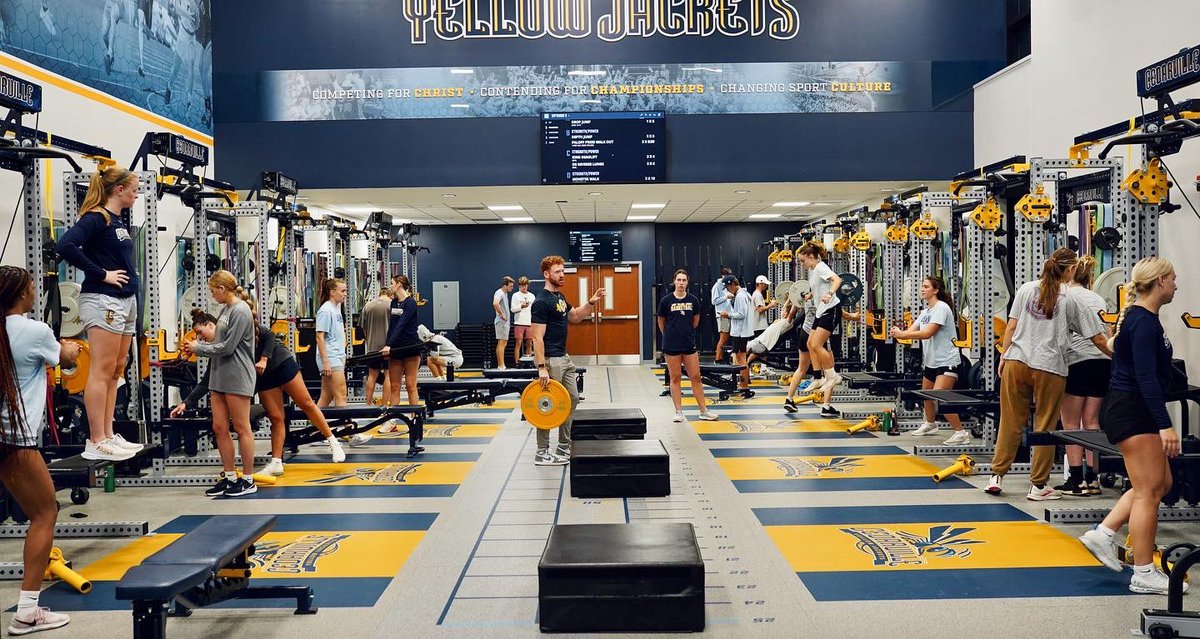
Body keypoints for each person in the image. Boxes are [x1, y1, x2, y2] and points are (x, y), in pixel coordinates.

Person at [1078, 257, 1185, 595]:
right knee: (1149, 491)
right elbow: (1145, 377)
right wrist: (1165, 424)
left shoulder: (1140, 318)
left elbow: (1120, 354)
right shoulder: (1142, 322)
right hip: (1132, 411)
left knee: (1159, 483)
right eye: (1174, 279)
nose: (1177, 285)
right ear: (1162, 282)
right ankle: (1143, 571)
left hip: (1132, 409)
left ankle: (1104, 533)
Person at [985, 248, 1111, 500]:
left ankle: (996, 476)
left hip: (1017, 361)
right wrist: (1121, 359)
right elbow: (1098, 338)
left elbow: (1011, 325)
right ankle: (1038, 486)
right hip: (1049, 367)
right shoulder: (1072, 299)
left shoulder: (1026, 288)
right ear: (1072, 269)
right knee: (1045, 425)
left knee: (1010, 420)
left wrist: (1003, 355)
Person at [0, 266, 79, 635]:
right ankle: (27, 612)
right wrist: (72, 348)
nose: (35, 292)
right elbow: (67, 360)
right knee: (45, 512)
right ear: (20, 295)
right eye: (32, 287)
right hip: (13, 441)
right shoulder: (34, 331)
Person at [172, 316, 346, 475]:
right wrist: (186, 402)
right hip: (262, 375)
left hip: (279, 361)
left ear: (211, 325)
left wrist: (264, 358)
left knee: (306, 404)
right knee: (276, 417)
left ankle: (333, 442)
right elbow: (207, 379)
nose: (200, 338)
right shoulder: (218, 349)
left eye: (200, 332)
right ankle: (276, 462)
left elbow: (269, 334)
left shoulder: (236, 324)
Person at [56, 167, 144, 462]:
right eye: (133, 189)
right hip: (102, 299)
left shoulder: (117, 220)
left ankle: (107, 434)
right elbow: (66, 245)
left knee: (117, 368)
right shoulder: (95, 217)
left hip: (125, 299)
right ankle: (95, 440)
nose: (136, 193)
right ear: (118, 190)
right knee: (102, 369)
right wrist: (101, 273)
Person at [181, 270, 258, 498]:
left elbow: (227, 347)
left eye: (213, 291)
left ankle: (248, 479)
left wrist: (199, 348)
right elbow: (219, 342)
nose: (212, 295)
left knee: (242, 428)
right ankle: (230, 476)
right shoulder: (225, 310)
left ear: (222, 289)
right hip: (219, 376)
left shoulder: (241, 311)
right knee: (219, 428)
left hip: (237, 376)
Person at [531, 255, 605, 466]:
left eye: (563, 271)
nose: (562, 275)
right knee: (547, 405)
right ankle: (542, 452)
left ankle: (564, 445)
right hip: (550, 361)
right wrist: (542, 367)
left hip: (564, 357)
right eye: (557, 272)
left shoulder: (560, 298)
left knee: (571, 398)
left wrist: (591, 302)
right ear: (546, 274)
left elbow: (575, 317)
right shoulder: (541, 302)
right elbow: (536, 337)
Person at [1056, 255, 1112, 496]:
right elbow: (1107, 332)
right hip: (1102, 362)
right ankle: (1094, 480)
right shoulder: (1098, 297)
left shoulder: (1066, 296)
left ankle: (1076, 479)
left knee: (1070, 423)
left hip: (1077, 362)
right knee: (1092, 422)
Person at [890, 276, 967, 445]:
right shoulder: (925, 312)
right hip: (931, 361)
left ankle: (961, 433)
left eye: (926, 286)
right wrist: (898, 332)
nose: (922, 289)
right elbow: (911, 332)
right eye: (922, 286)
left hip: (947, 360)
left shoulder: (942, 308)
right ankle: (930, 424)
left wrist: (904, 334)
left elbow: (927, 333)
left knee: (939, 397)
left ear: (936, 290)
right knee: (926, 395)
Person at [658, 269, 719, 423]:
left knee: (696, 377)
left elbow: (695, 321)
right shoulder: (666, 301)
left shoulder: (693, 300)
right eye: (678, 280)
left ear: (687, 282)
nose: (681, 283)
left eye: (684, 280)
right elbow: (661, 322)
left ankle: (703, 410)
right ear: (674, 281)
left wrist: (686, 333)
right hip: (671, 345)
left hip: (689, 344)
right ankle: (678, 411)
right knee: (675, 377)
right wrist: (670, 335)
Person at [796, 241, 843, 417]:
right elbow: (818, 288)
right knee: (810, 343)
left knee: (816, 345)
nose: (802, 264)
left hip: (831, 310)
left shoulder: (821, 267)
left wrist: (830, 293)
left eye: (803, 261)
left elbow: (837, 280)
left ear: (811, 257)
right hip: (821, 312)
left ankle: (832, 376)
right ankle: (819, 377)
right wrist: (811, 295)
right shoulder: (813, 271)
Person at [382, 275, 424, 449]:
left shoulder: (410, 303)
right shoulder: (393, 303)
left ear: (399, 285)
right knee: (394, 385)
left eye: (392, 283)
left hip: (410, 348)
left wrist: (389, 344)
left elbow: (402, 325)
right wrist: (387, 345)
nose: (390, 286)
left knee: (411, 385)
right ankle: (392, 420)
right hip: (395, 350)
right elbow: (392, 326)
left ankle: (415, 418)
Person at [719, 276, 755, 399]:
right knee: (740, 357)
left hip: (740, 332)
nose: (728, 290)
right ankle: (743, 382)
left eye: (728, 287)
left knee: (741, 358)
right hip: (741, 331)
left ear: (733, 285)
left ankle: (743, 385)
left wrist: (727, 314)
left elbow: (741, 314)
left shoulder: (740, 296)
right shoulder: (743, 294)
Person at [783, 294, 820, 412]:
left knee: (801, 368)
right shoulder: (822, 299)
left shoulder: (807, 300)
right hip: (815, 335)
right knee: (828, 370)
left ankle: (789, 398)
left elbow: (794, 307)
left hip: (804, 333)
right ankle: (826, 406)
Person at [315, 278, 348, 408]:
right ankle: (347, 426)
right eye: (343, 291)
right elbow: (319, 336)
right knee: (341, 395)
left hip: (336, 356)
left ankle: (314, 426)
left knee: (326, 396)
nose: (345, 294)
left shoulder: (336, 309)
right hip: (330, 357)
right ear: (332, 292)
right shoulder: (326, 310)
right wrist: (326, 361)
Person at [361, 288, 393, 406]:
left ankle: (367, 405)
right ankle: (384, 406)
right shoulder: (392, 306)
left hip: (372, 347)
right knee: (388, 376)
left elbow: (363, 328)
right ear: (390, 295)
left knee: (372, 376)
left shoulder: (368, 306)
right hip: (388, 347)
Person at [710, 267, 733, 363]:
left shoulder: (726, 285)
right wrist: (725, 297)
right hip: (722, 316)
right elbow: (714, 301)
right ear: (722, 275)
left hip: (728, 314)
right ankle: (717, 359)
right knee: (723, 338)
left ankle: (723, 358)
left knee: (726, 338)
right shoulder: (717, 286)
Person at [492, 276, 515, 369]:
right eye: (510, 286)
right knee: (501, 343)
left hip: (504, 323)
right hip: (501, 322)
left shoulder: (504, 294)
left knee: (503, 343)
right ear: (505, 285)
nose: (512, 288)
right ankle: (501, 366)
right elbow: (495, 303)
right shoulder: (499, 293)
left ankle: (501, 365)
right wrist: (502, 314)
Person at [511, 276, 536, 360]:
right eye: (522, 285)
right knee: (518, 343)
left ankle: (528, 362)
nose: (524, 287)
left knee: (529, 343)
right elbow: (512, 309)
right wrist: (521, 306)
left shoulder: (532, 296)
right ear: (519, 286)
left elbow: (534, 309)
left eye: (526, 285)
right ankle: (517, 364)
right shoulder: (515, 295)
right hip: (519, 323)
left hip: (529, 323)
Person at [751, 275, 777, 340]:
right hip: (759, 326)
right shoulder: (757, 295)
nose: (766, 286)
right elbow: (760, 310)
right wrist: (770, 305)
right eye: (765, 284)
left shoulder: (757, 294)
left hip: (758, 326)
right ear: (760, 284)